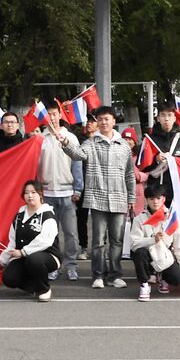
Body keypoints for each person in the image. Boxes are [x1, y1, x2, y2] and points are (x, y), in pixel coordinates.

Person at [63, 105, 136, 289]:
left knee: (117, 240)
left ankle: (116, 275)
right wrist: (65, 142)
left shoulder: (124, 146)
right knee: (98, 241)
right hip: (97, 199)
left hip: (119, 199)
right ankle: (98, 275)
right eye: (100, 119)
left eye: (107, 119)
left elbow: (129, 174)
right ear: (97, 123)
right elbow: (77, 154)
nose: (104, 122)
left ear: (113, 121)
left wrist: (132, 198)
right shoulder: (90, 143)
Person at [36, 106, 84, 281]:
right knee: (50, 234)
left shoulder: (70, 137)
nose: (51, 117)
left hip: (67, 192)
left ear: (60, 116)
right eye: (48, 114)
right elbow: (35, 165)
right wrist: (37, 189)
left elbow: (77, 163)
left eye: (54, 114)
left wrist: (78, 188)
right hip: (47, 193)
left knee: (71, 233)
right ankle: (53, 265)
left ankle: (71, 265)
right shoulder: (40, 138)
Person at [1, 180, 61, 301]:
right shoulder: (19, 215)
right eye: (26, 193)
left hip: (47, 256)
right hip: (24, 256)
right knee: (9, 278)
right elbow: (13, 239)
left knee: (34, 260)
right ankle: (33, 286)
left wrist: (24, 252)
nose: (30, 195)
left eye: (33, 192)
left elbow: (45, 240)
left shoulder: (47, 215)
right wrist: (4, 259)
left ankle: (44, 289)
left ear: (40, 194)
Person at [129, 184, 180, 300]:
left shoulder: (171, 218)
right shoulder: (140, 219)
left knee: (177, 279)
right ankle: (144, 285)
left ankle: (163, 277)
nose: (155, 202)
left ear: (163, 199)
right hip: (147, 255)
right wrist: (153, 239)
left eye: (158, 198)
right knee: (139, 252)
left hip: (164, 255)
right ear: (146, 200)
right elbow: (134, 243)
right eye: (151, 199)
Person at [146, 101, 180, 202]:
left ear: (174, 118)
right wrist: (156, 159)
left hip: (178, 188)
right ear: (158, 118)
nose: (166, 119)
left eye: (169, 115)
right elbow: (142, 166)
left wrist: (176, 162)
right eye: (163, 115)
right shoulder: (149, 140)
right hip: (156, 192)